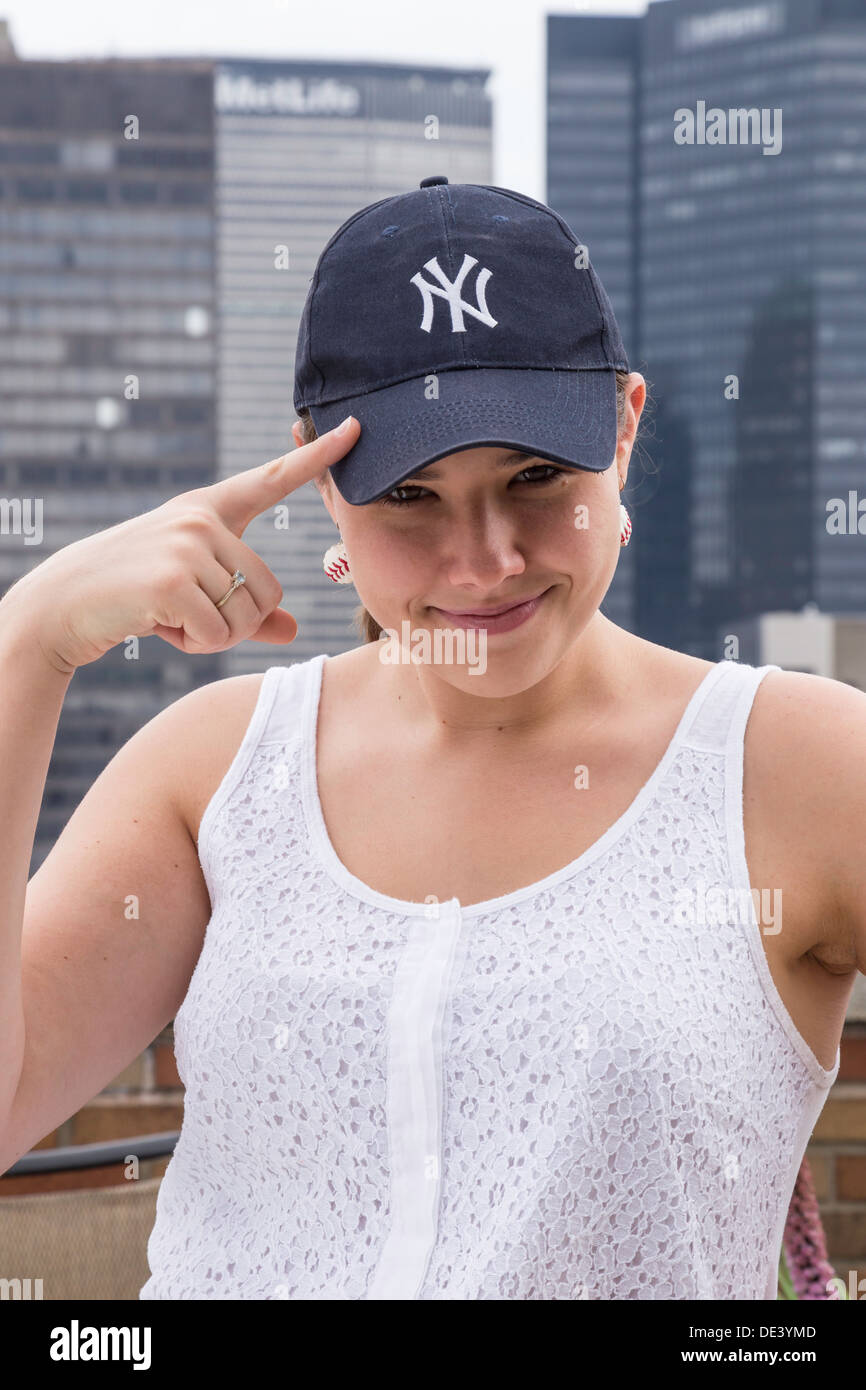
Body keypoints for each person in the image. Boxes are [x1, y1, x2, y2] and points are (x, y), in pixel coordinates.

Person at [0, 179, 862, 1301]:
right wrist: (29, 642)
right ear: (313, 469)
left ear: (623, 421)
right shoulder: (214, 767)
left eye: (536, 476)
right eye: (410, 492)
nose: (485, 559)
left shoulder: (795, 764)